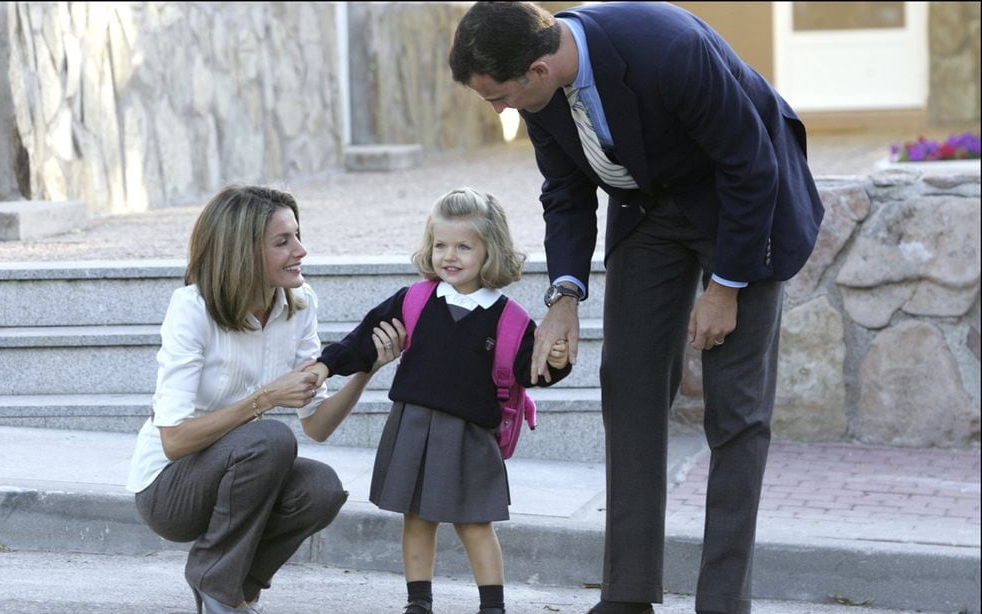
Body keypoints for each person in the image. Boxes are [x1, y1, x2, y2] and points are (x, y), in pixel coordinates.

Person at [449, 3, 824, 614]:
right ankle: (627, 596)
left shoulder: (668, 48)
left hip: (743, 204)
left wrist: (726, 287)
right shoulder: (541, 94)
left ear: (540, 69)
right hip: (650, 209)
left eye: (500, 97)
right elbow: (565, 191)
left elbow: (749, 164)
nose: (499, 111)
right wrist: (564, 296)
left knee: (736, 408)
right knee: (628, 385)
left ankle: (723, 602)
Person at [125, 185, 406, 614]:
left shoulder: (299, 304)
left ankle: (237, 591)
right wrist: (265, 398)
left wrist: (366, 369)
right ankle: (214, 583)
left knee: (321, 489)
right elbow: (174, 441)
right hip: (169, 488)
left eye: (297, 235)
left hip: (239, 472)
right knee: (271, 438)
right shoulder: (192, 309)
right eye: (282, 242)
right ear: (243, 251)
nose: (301, 250)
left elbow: (317, 425)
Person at [304, 187, 572, 614]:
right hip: (412, 425)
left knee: (474, 523)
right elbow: (363, 340)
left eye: (464, 246)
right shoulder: (414, 301)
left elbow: (530, 371)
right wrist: (324, 366)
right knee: (416, 517)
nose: (450, 255)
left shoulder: (510, 319)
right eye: (441, 244)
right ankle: (419, 602)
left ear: (491, 251)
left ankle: (492, 606)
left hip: (470, 434)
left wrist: (555, 361)